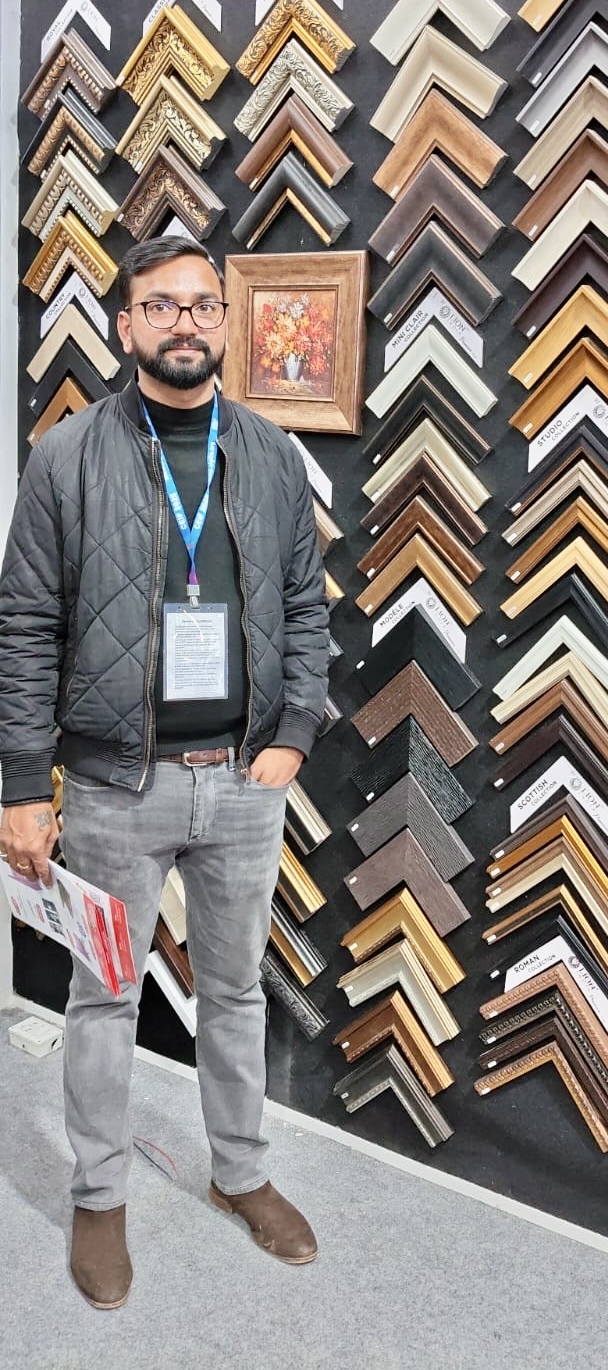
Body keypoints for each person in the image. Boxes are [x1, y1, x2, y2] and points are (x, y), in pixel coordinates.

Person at [0, 235, 330, 1308]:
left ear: (224, 322)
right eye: (160, 305)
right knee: (104, 997)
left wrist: (294, 734)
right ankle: (99, 1194)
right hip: (112, 787)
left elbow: (307, 604)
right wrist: (21, 786)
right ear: (125, 324)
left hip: (242, 780)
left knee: (233, 990)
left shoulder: (271, 454)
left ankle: (241, 1172)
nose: (184, 322)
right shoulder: (65, 457)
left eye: (201, 304)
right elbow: (25, 628)